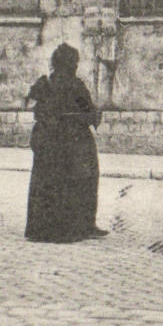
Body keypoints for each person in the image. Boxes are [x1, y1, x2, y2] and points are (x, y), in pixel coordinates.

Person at [24, 43, 107, 242]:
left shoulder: (44, 84)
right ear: (71, 64)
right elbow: (88, 112)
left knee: (46, 182)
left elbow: (35, 107)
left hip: (47, 140)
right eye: (75, 62)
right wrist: (94, 116)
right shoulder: (75, 86)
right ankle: (82, 226)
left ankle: (41, 228)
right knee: (83, 179)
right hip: (73, 141)